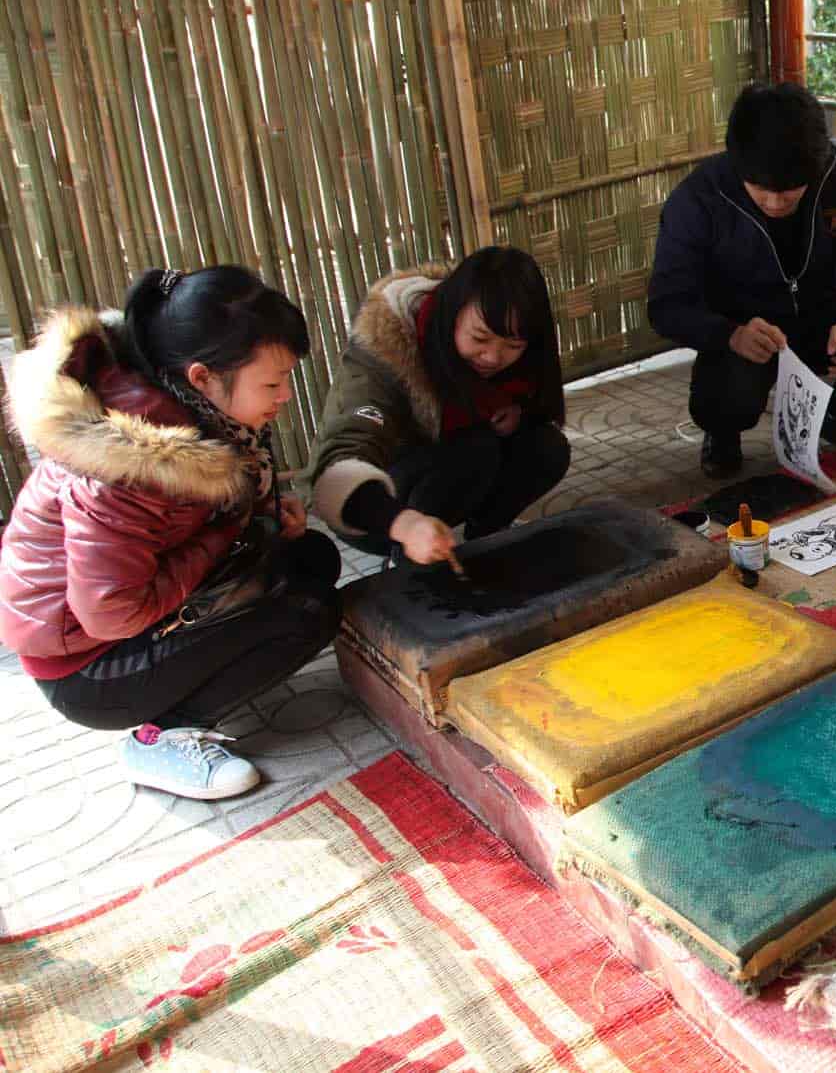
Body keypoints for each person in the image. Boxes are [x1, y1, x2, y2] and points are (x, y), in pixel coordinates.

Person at [0, 267, 343, 800]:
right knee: (308, 614)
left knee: (311, 559)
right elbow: (112, 612)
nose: (284, 397)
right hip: (86, 667)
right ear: (203, 376)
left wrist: (260, 519)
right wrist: (227, 533)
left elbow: (203, 517)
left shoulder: (187, 407)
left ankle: (198, 677)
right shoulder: (129, 465)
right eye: (272, 384)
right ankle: (158, 735)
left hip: (118, 622)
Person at [647, 82, 836, 478]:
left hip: (827, 318)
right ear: (737, 166)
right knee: (723, 397)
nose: (774, 203)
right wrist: (729, 334)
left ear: (817, 167)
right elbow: (666, 305)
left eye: (789, 193)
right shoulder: (699, 198)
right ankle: (723, 434)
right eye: (761, 191)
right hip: (749, 333)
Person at [308, 247, 569, 565]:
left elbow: (534, 407)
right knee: (476, 448)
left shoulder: (515, 356)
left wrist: (517, 412)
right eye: (479, 339)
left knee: (546, 447)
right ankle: (406, 560)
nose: (493, 358)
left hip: (448, 477)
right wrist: (403, 525)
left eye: (512, 346)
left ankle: (486, 535)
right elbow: (340, 461)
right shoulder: (383, 350)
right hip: (377, 509)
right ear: (452, 313)